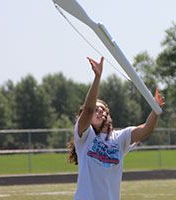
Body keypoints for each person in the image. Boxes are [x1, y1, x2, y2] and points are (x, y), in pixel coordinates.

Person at [68, 56, 165, 200]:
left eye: (102, 109)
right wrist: (97, 76)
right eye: (96, 110)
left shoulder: (119, 138)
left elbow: (147, 129)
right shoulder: (84, 137)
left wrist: (155, 110)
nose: (99, 111)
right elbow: (88, 109)